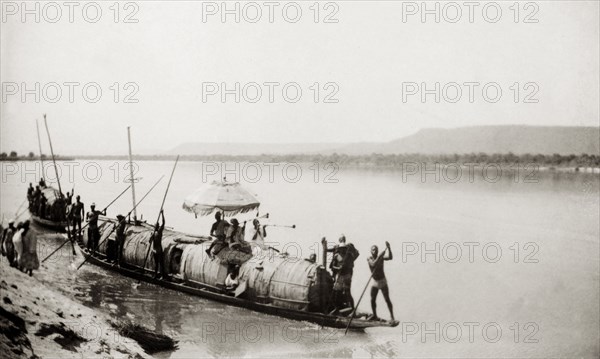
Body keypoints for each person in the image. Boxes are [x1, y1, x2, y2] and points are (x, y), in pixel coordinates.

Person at [325, 235, 359, 311]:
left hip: (347, 275)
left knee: (347, 292)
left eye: (344, 248)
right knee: (337, 293)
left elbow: (356, 256)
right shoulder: (337, 255)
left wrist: (348, 264)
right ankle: (336, 308)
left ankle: (353, 310)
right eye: (341, 248)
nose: (343, 249)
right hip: (339, 276)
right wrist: (338, 268)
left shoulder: (349, 255)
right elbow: (332, 266)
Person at [367, 241, 394, 321]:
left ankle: (392, 316)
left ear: (377, 251)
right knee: (372, 299)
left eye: (375, 250)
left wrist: (389, 248)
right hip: (375, 282)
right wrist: (380, 256)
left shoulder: (381, 257)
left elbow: (390, 257)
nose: (374, 251)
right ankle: (375, 315)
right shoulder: (369, 258)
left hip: (382, 281)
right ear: (371, 251)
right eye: (373, 250)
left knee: (387, 299)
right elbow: (373, 264)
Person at [150, 210, 166, 279]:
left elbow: (163, 223)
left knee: (160, 263)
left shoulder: (159, 232)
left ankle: (162, 275)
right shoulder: (153, 233)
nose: (156, 227)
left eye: (156, 226)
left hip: (159, 249)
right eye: (155, 226)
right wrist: (151, 237)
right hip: (155, 250)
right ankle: (155, 274)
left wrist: (162, 214)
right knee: (156, 263)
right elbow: (149, 241)